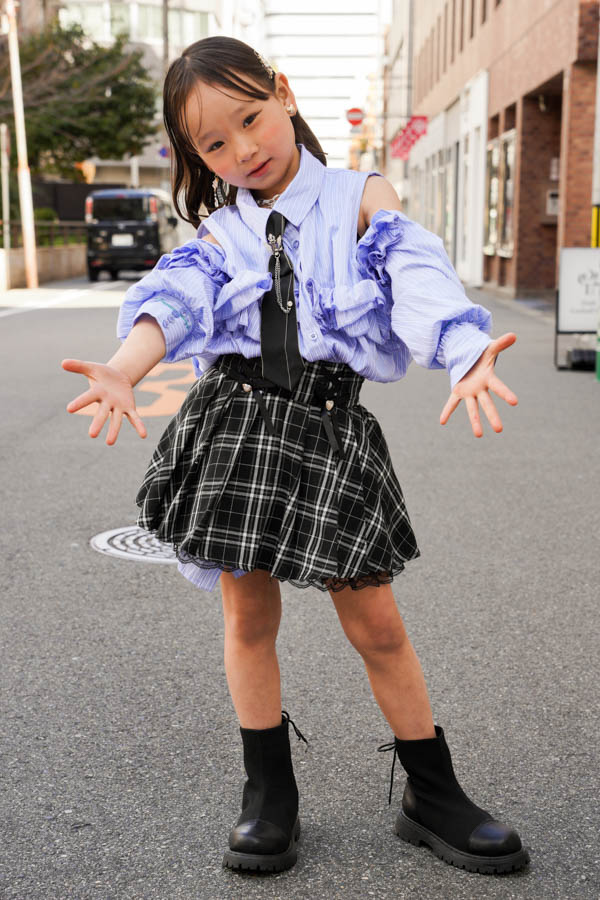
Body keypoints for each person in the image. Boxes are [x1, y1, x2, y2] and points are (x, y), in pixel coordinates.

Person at [62, 36, 530, 877]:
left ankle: (433, 792)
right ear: (195, 156)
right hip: (237, 426)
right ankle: (268, 794)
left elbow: (414, 271)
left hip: (331, 427)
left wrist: (465, 351)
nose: (243, 150)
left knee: (376, 623)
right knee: (248, 618)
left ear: (281, 91)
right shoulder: (219, 231)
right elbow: (176, 299)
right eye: (214, 144)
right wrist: (126, 368)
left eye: (251, 118)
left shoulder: (359, 195)